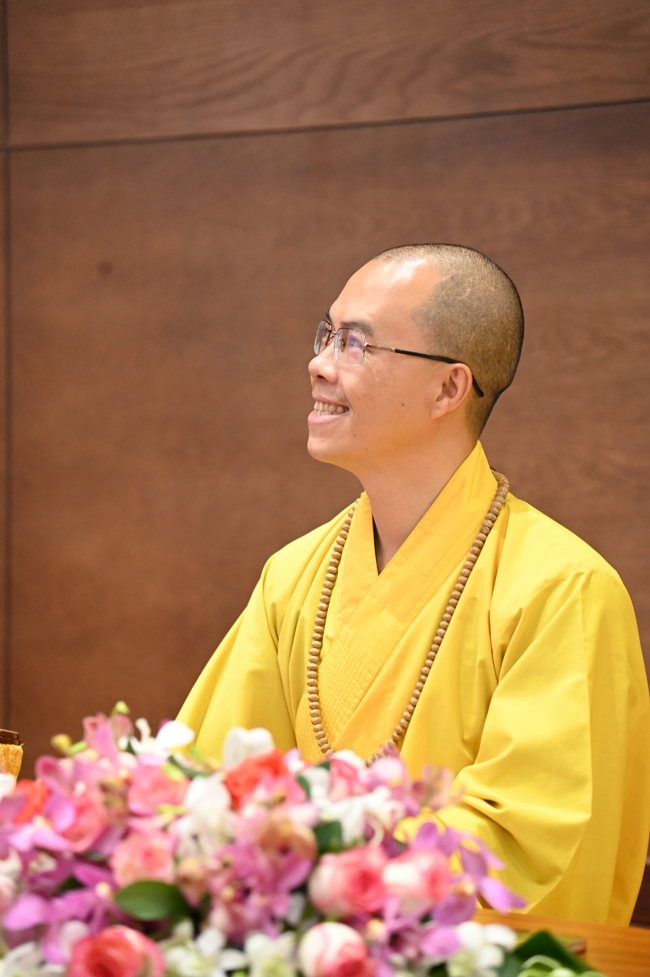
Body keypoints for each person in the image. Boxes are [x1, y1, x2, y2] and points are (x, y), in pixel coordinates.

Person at [178, 244, 650, 924]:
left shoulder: (562, 589)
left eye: (356, 344)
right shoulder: (293, 575)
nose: (319, 363)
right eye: (326, 334)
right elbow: (210, 782)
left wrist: (316, 872)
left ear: (449, 389)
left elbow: (531, 848)